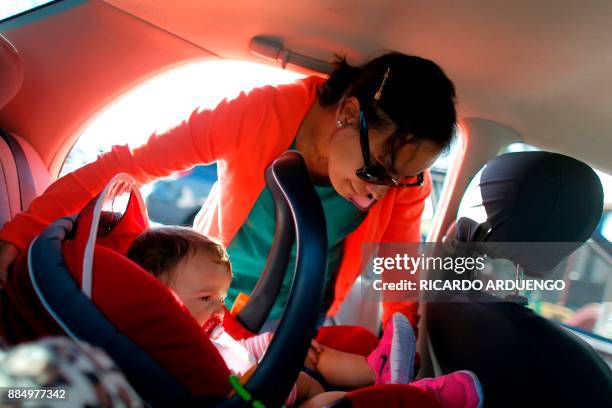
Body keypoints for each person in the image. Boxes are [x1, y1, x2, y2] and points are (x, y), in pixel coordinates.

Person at [0, 52, 457, 334]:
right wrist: (22, 235)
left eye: (403, 178)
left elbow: (399, 265)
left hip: (294, 319)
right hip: (199, 296)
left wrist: (403, 345)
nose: (384, 190)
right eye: (378, 169)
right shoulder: (260, 111)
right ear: (349, 112)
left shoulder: (400, 186)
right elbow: (126, 164)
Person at [127, 225, 483, 408]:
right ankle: (417, 397)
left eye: (221, 298)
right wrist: (272, 372)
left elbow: (241, 349)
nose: (220, 309)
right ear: (159, 298)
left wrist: (274, 345)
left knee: (310, 352)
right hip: (267, 398)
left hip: (282, 386)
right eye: (207, 298)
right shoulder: (172, 357)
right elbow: (225, 389)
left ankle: (379, 370)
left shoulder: (208, 331)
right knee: (331, 403)